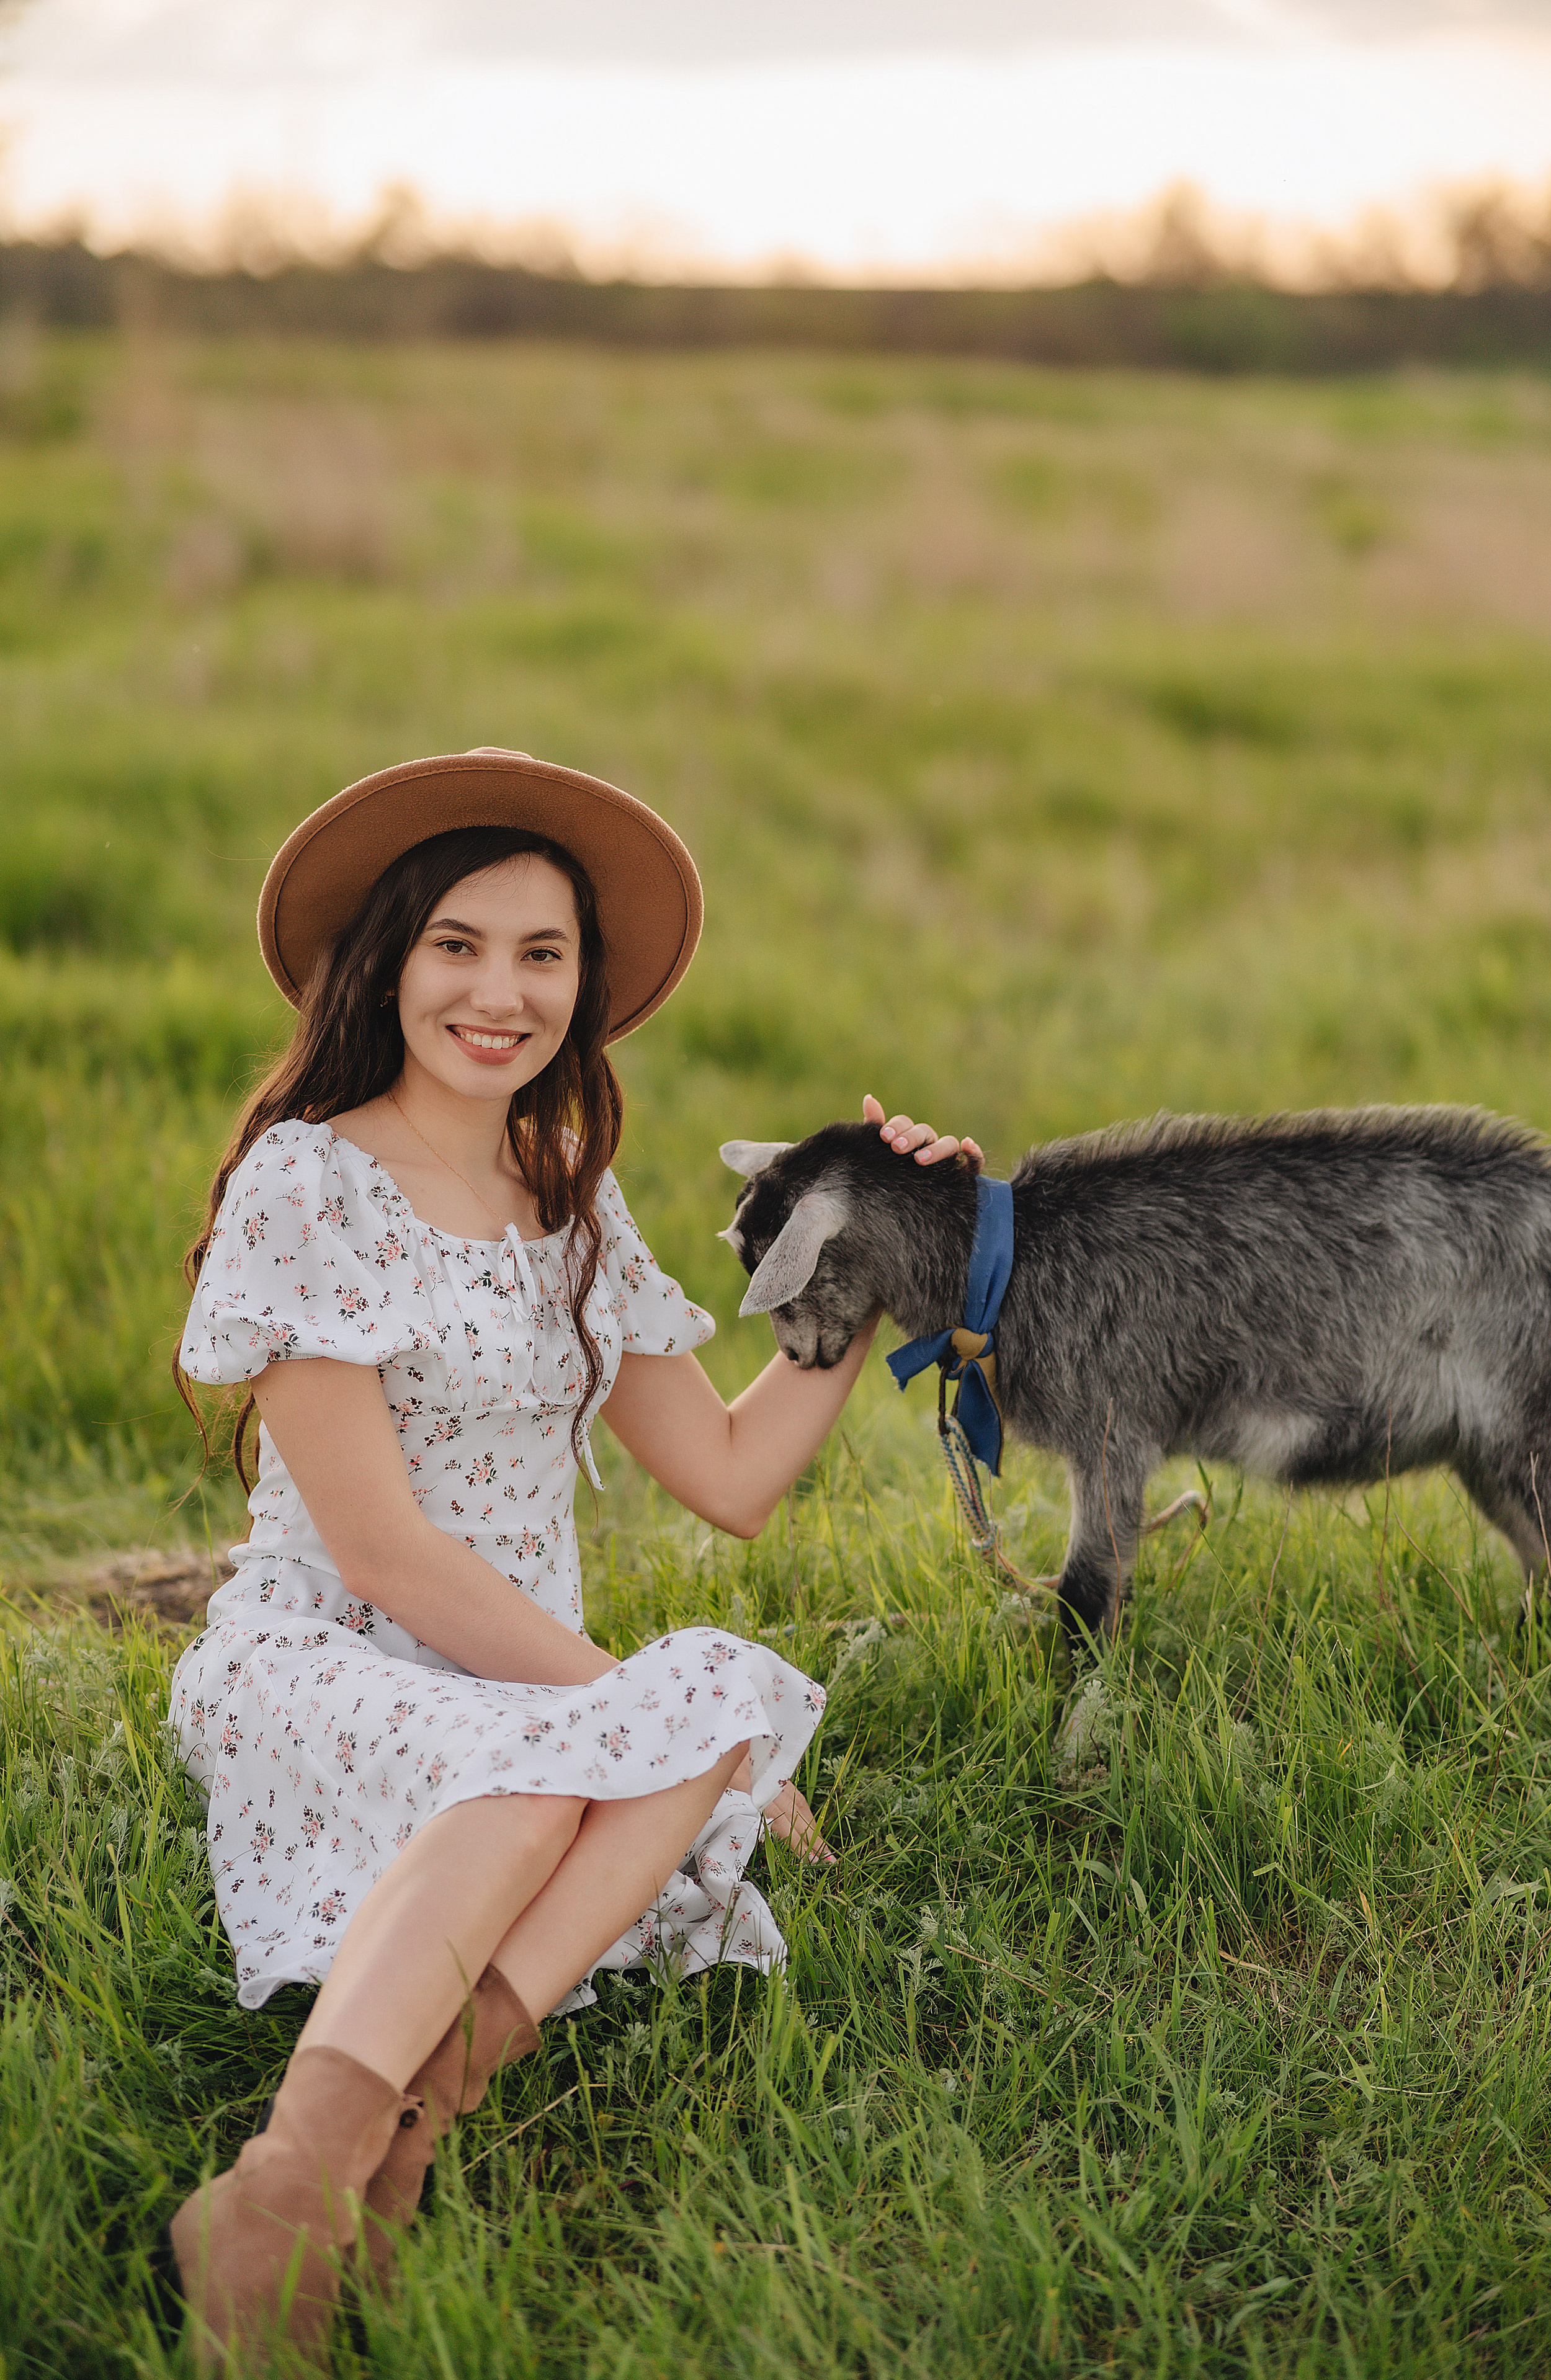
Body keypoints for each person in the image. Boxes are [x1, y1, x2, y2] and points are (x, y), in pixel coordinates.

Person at [163, 747, 980, 2362]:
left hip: (517, 1683)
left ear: (582, 989)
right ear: (391, 958)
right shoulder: (308, 1183)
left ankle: (396, 2150)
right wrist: (650, 1730)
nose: (501, 993)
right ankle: (281, 2192)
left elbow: (733, 1476)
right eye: (459, 944)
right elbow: (385, 1554)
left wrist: (876, 1236)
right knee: (612, 1748)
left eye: (543, 956)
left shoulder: (572, 1199)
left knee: (693, 1699)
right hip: (328, 1665)